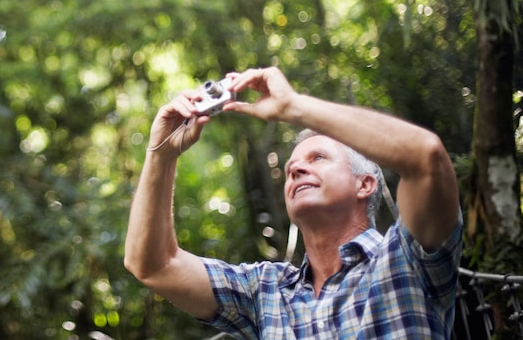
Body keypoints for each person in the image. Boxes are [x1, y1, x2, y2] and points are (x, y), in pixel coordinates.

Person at [124, 66, 462, 339]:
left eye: (318, 158)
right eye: (290, 170)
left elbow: (426, 157)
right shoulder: (265, 291)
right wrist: (162, 153)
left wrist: (293, 107)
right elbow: (154, 265)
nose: (297, 168)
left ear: (365, 184)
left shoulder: (407, 257)